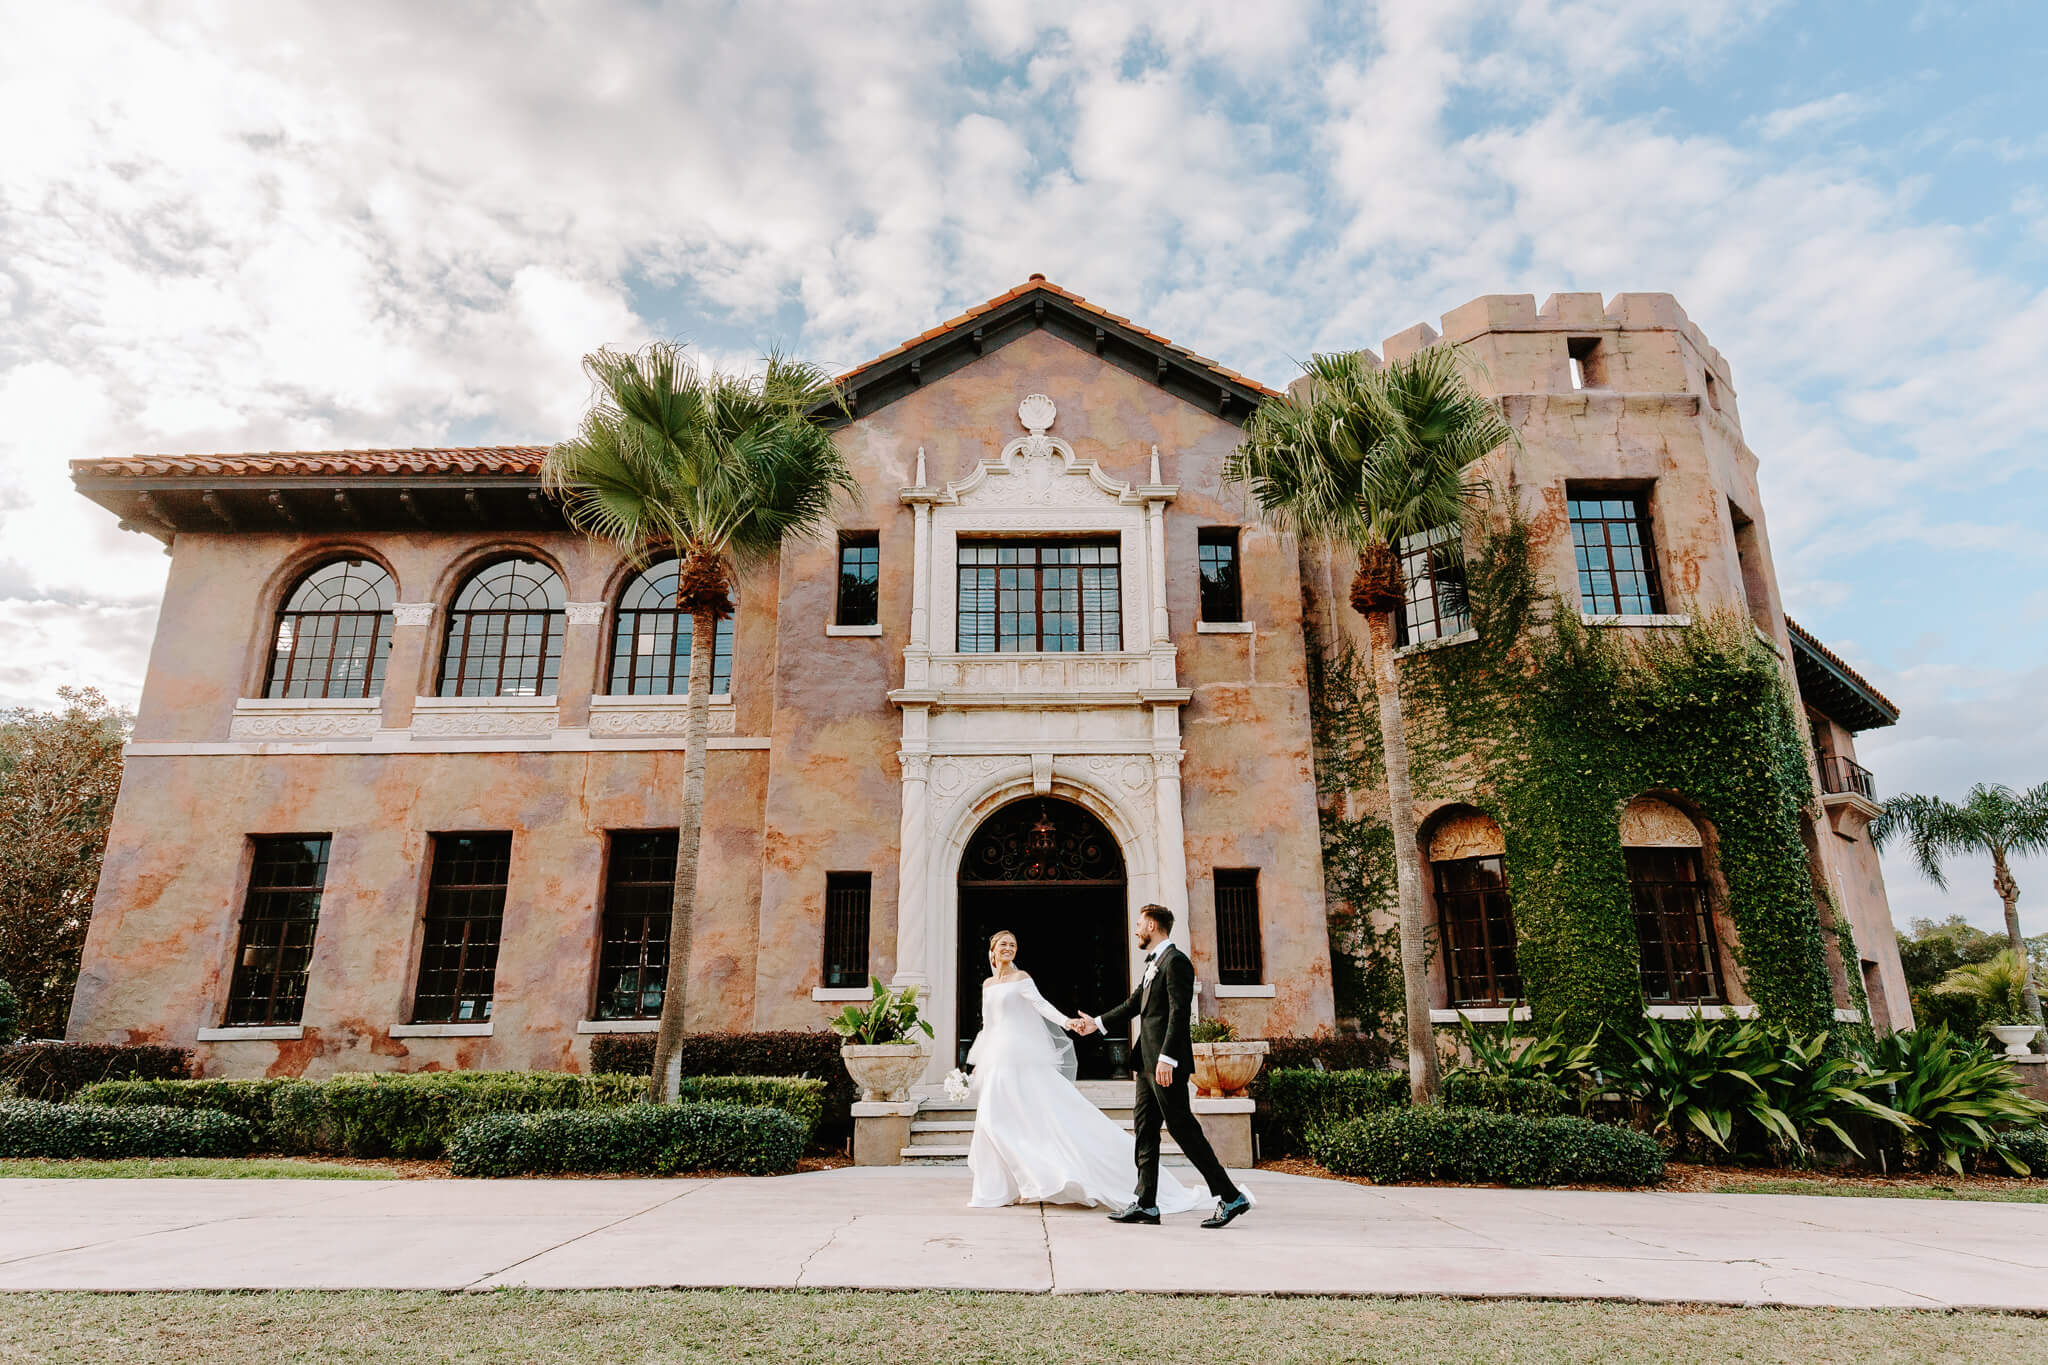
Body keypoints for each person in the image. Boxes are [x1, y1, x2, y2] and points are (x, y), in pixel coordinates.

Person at [963, 928, 1204, 1214]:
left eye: (1013, 945)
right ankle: (1005, 1186)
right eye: (1003, 944)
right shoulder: (988, 984)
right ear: (992, 950)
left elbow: (1042, 1006)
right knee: (991, 1121)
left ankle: (1044, 1179)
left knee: (1021, 1121)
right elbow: (988, 1025)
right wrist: (979, 1064)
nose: (1008, 948)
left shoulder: (1022, 978)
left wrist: (1068, 1023)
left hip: (1020, 1060)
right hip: (997, 1060)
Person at [1073, 905, 1253, 1229]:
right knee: (1145, 1130)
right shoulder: (1155, 963)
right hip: (1146, 1063)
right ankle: (1146, 1203)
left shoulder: (1177, 962)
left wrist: (1167, 1059)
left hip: (1163, 1064)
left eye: (1140, 924)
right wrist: (1096, 1024)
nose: (1136, 929)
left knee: (1183, 1128)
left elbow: (1179, 1013)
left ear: (1153, 925)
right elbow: (1133, 1005)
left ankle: (1230, 1196)